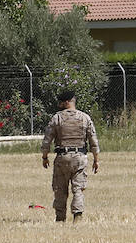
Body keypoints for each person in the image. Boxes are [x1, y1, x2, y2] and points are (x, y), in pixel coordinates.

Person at [41, 90, 100, 222]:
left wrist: (45, 157)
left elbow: (47, 141)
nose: (59, 104)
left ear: (67, 102)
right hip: (80, 157)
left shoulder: (56, 118)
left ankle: (60, 219)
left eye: (61, 102)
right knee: (78, 189)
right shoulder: (85, 117)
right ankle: (77, 218)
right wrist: (96, 160)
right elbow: (93, 142)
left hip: (62, 157)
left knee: (60, 190)